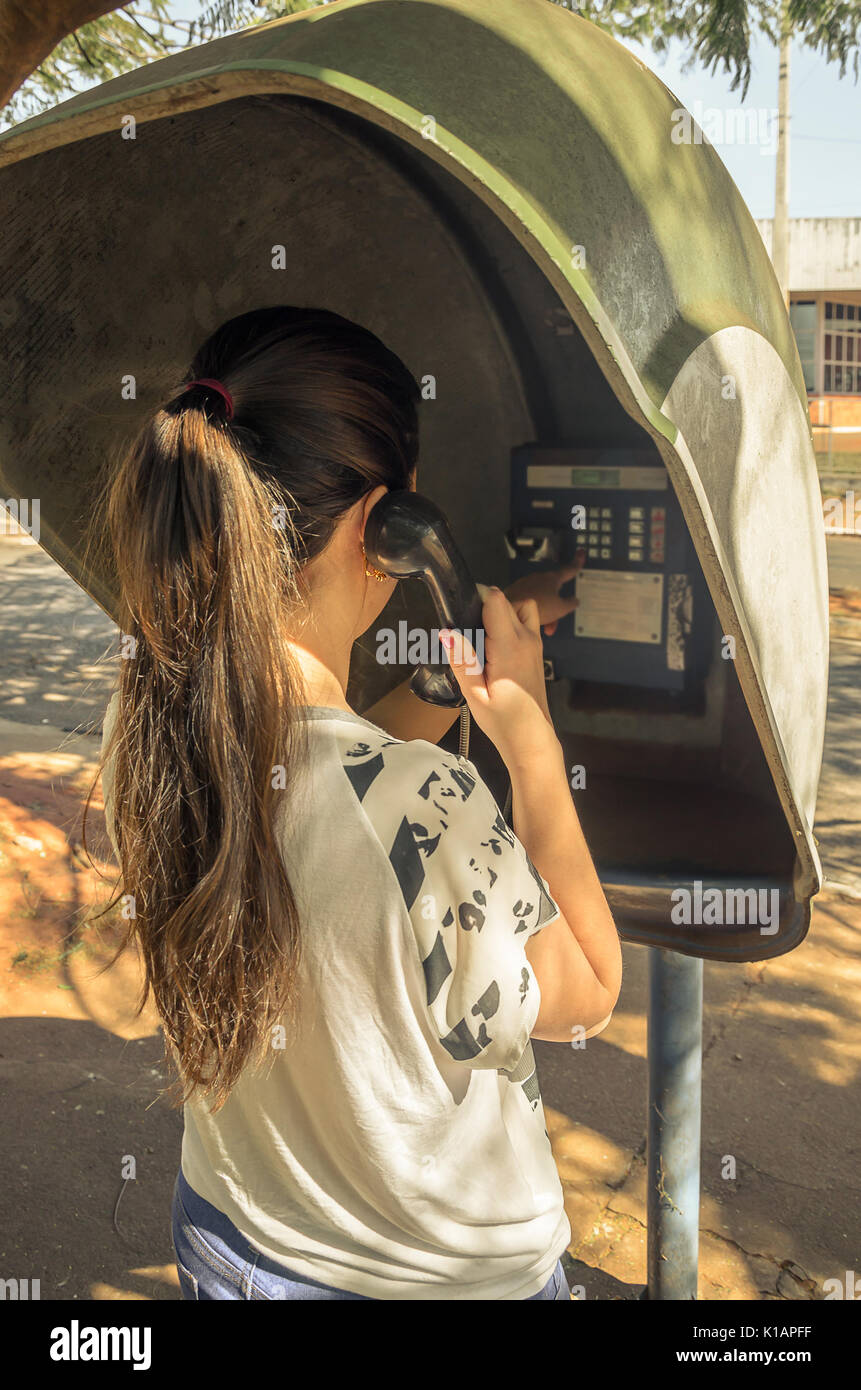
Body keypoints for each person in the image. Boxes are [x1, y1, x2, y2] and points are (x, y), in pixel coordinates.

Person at [92, 305, 621, 1301]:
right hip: (434, 1278)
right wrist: (531, 738)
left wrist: (442, 676)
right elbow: (592, 983)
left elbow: (332, 772)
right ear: (392, 529)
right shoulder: (430, 805)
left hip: (239, 1234)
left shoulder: (149, 730)